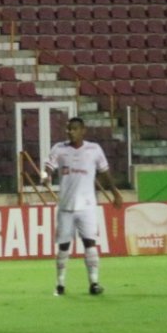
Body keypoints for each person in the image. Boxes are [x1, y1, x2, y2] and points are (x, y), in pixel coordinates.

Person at [40, 116, 124, 296]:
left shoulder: (94, 149)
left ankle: (94, 282)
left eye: (74, 129)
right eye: (69, 129)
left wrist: (115, 193)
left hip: (87, 206)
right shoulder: (59, 149)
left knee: (90, 243)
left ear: (83, 130)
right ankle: (60, 284)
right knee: (63, 246)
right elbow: (48, 167)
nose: (70, 132)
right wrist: (46, 176)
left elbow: (105, 172)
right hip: (66, 206)